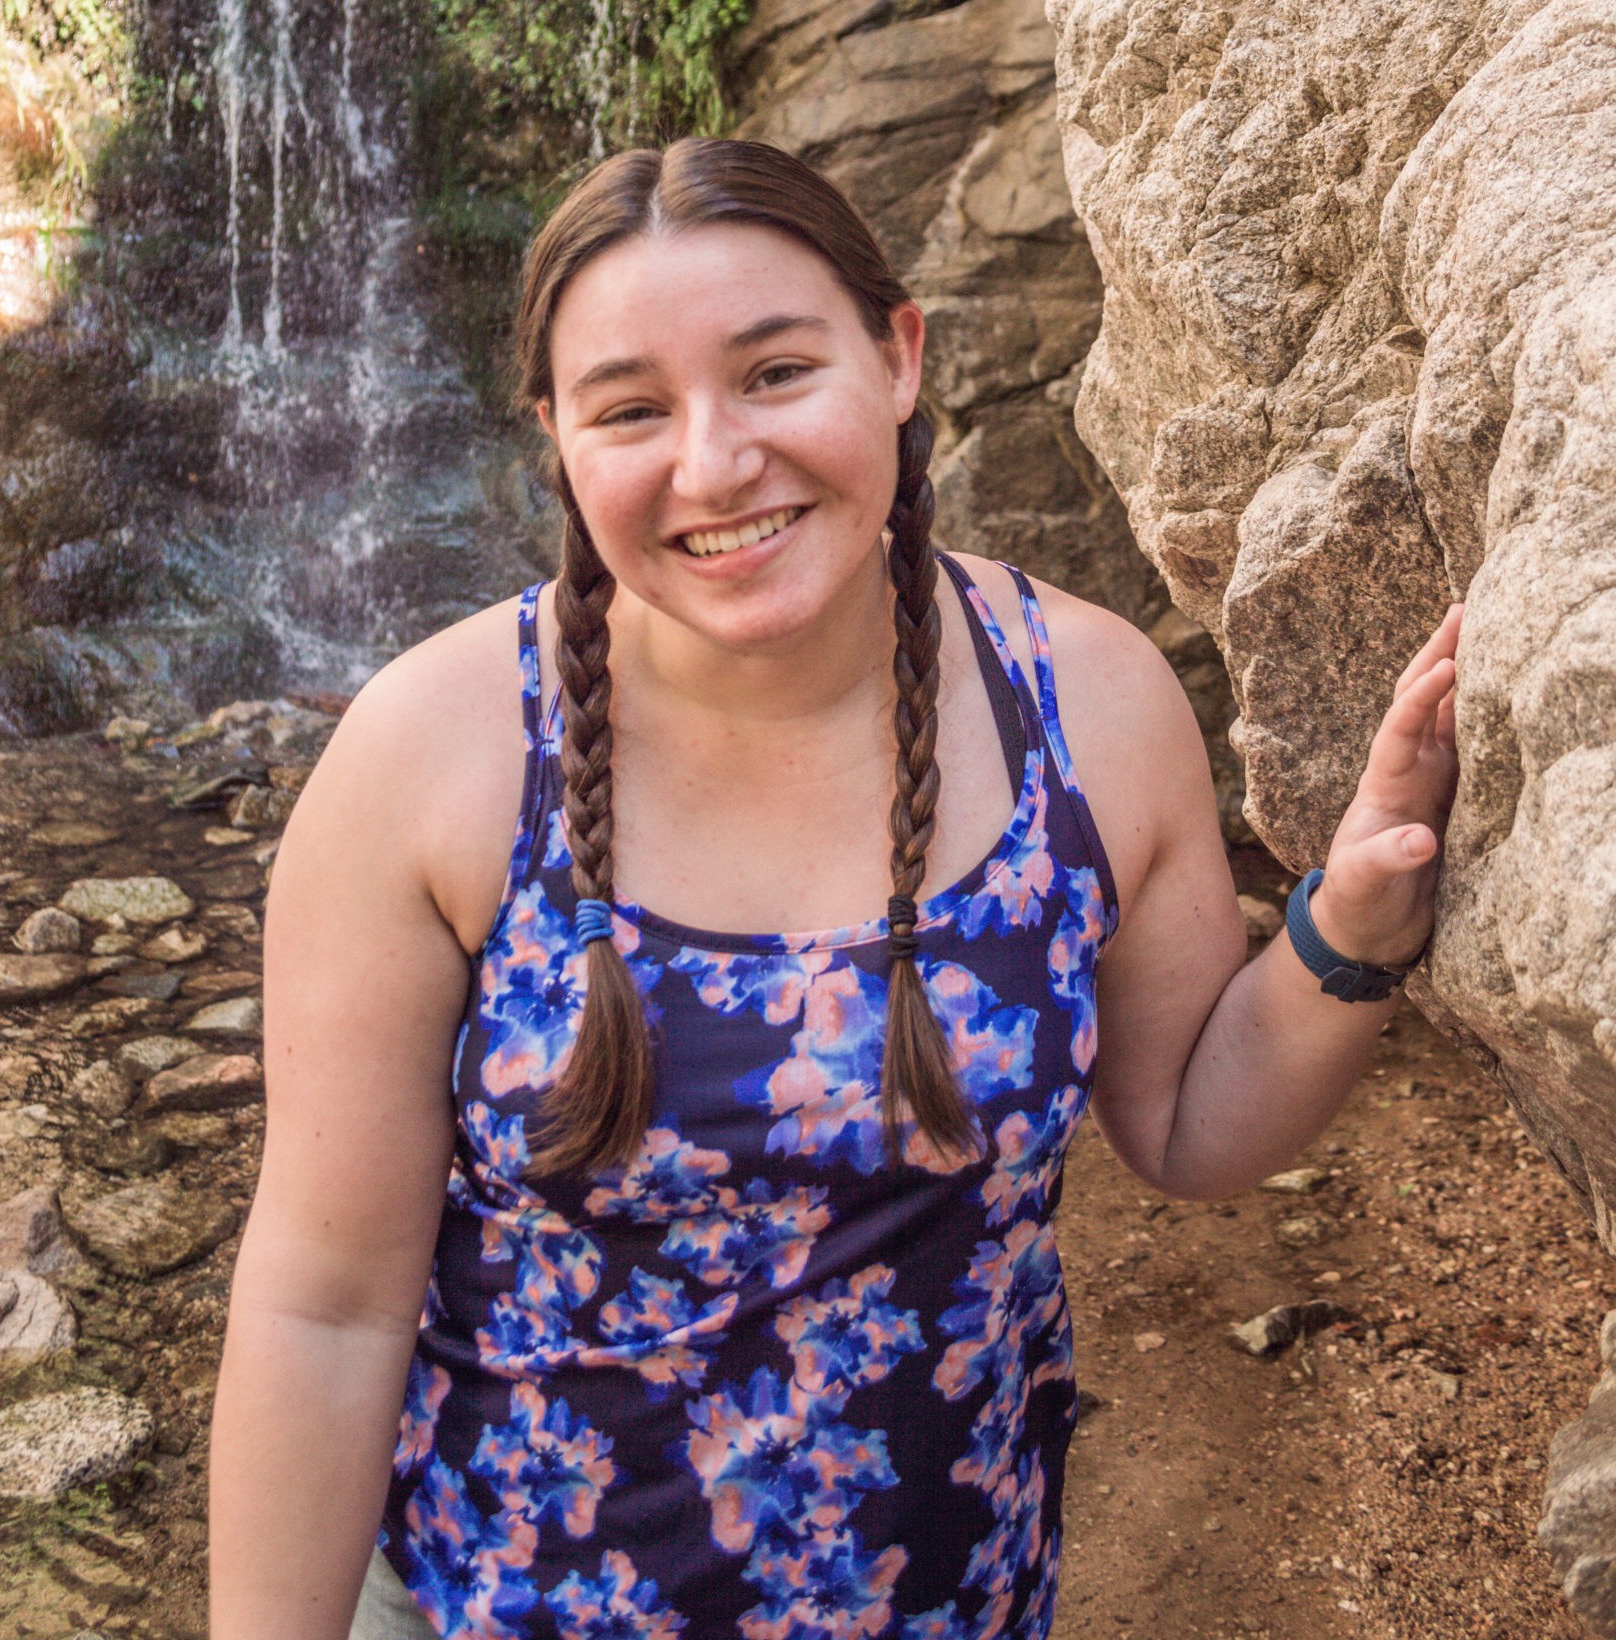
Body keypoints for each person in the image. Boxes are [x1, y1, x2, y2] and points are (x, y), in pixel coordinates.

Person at [208, 138, 1459, 1640]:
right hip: (500, 1601)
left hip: (949, 1600)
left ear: (899, 356)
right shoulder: (428, 758)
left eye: (775, 372)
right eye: (628, 409)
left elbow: (1187, 1126)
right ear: (556, 438)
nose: (714, 461)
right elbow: (324, 1309)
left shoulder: (1091, 707)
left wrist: (1350, 929)